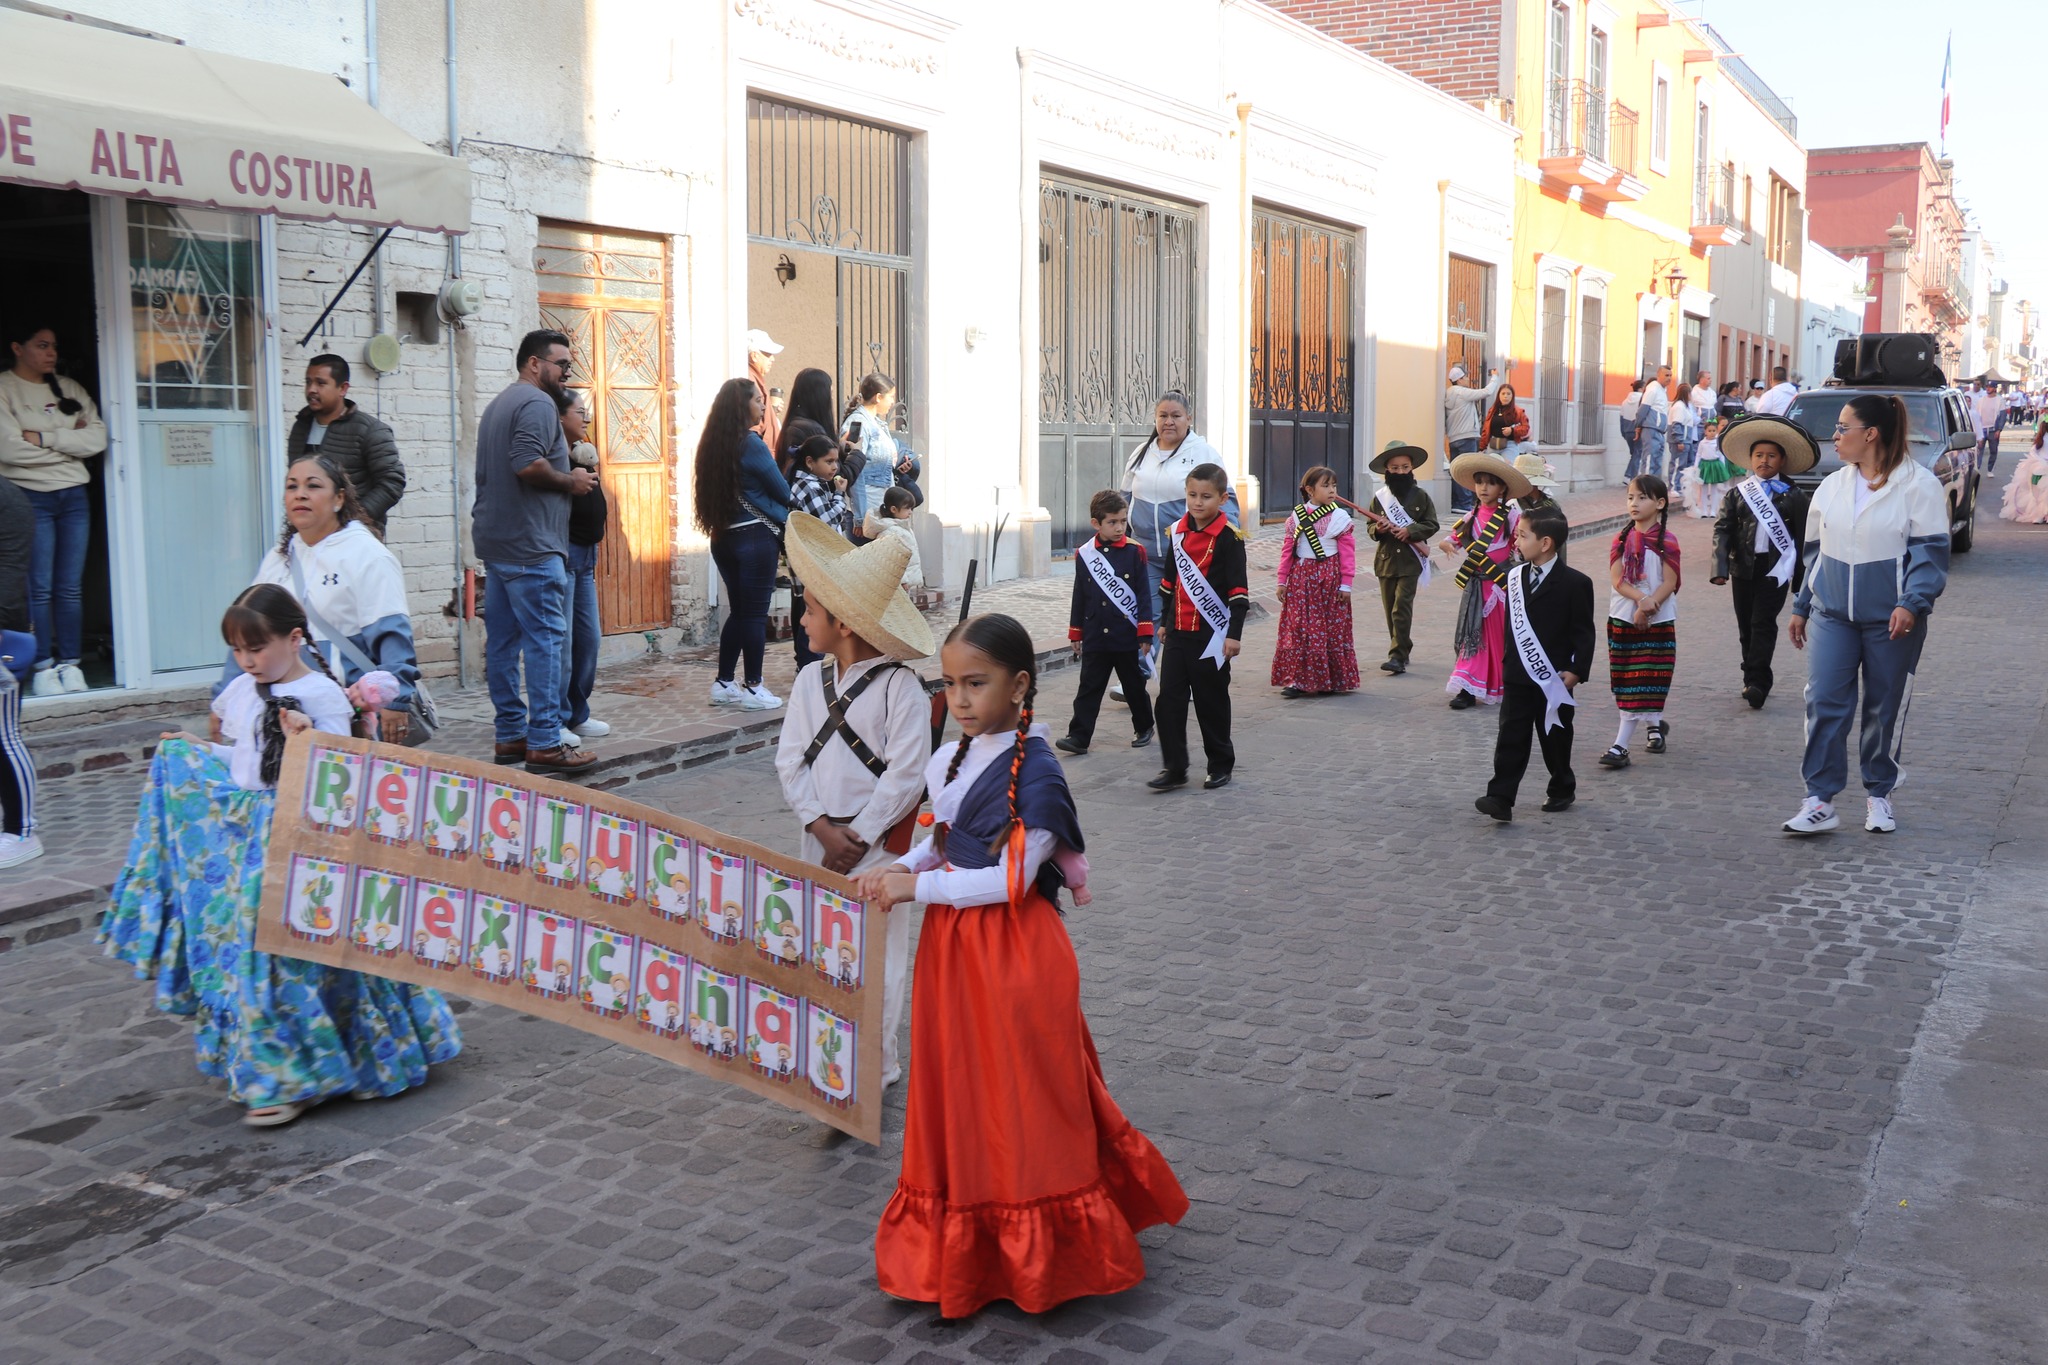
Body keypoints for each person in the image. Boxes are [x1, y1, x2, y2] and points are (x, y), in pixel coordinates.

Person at [854, 613, 1188, 1316]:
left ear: (1020, 684)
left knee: (1023, 1094)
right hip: (952, 950)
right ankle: (971, 1237)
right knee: (961, 1088)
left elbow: (1010, 879)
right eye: (950, 684)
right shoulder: (954, 756)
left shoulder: (1036, 771)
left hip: (1013, 951)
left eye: (976, 683)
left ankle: (1040, 1249)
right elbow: (945, 840)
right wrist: (902, 866)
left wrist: (917, 888)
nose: (961, 698)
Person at [100, 583, 460, 1126]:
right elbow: (246, 759)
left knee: (289, 944)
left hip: (307, 838)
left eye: (256, 648)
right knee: (259, 944)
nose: (247, 661)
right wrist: (200, 750)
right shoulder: (244, 691)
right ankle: (290, 1073)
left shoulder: (322, 696)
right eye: (237, 650)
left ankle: (316, 1068)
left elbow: (340, 776)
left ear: (294, 639)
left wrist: (307, 739)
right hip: (250, 837)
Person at [774, 513, 934, 1086]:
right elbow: (790, 760)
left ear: (842, 622)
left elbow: (907, 776)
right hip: (818, 842)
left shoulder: (902, 689)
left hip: (879, 850)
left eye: (810, 609)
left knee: (879, 956)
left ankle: (877, 1064)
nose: (802, 619)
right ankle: (828, 1056)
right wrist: (820, 827)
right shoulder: (807, 681)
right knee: (822, 947)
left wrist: (859, 837)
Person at [1783, 394, 1950, 836]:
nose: (1835, 436)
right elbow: (1815, 553)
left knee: (1883, 706)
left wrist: (1911, 602)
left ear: (1870, 434)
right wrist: (1802, 605)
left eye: (1843, 428)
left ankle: (1879, 793)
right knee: (1824, 702)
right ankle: (1819, 799)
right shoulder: (1832, 486)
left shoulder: (1918, 485)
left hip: (1892, 620)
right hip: (1831, 614)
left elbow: (1930, 555)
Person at [473, 329, 597, 774]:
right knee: (546, 641)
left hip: (500, 543)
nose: (567, 373)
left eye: (569, 365)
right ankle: (545, 740)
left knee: (504, 643)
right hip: (531, 545)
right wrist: (572, 481)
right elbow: (527, 463)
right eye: (561, 364)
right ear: (533, 364)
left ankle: (510, 735)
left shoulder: (500, 403)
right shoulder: (538, 403)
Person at [239, 452, 423, 743]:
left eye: (313, 486)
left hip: (349, 714)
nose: (300, 494)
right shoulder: (277, 559)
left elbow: (391, 635)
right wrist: (224, 696)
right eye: (292, 486)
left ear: (339, 498)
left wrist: (396, 700)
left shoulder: (367, 555)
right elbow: (246, 632)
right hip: (285, 714)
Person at [0, 323, 107, 696]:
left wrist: (44, 438)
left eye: (54, 346)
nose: (51, 353)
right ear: (18, 347)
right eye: (42, 345)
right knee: (39, 588)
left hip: (73, 496)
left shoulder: (70, 388)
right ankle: (43, 667)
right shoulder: (5, 388)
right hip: (29, 496)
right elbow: (8, 449)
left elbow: (97, 438)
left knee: (70, 588)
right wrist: (69, 447)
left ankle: (71, 665)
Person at [1473, 505, 1595, 821]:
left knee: (1555, 737)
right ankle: (1500, 797)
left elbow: (1584, 632)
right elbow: (1511, 628)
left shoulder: (1576, 583)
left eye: (1522, 536)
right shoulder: (1514, 577)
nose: (1516, 541)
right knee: (1511, 735)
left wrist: (1577, 670)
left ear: (1545, 543)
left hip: (1554, 678)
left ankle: (1562, 786)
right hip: (1518, 674)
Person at [1119, 390, 1239, 703]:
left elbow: (1228, 504)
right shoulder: (1141, 453)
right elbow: (1124, 499)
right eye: (1163, 416)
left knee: (1189, 622)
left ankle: (1195, 680)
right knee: (1147, 615)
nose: (1169, 422)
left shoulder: (1203, 453)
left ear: (1189, 419)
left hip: (1191, 558)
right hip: (1147, 554)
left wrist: (1226, 544)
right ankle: (1137, 677)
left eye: (1176, 416)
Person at [693, 376, 792, 711]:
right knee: (753, 615)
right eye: (757, 400)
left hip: (723, 538)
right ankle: (754, 687)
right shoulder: (751, 444)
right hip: (754, 537)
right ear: (742, 405)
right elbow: (783, 492)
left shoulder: (714, 444)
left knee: (739, 612)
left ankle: (724, 683)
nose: (763, 405)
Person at [1148, 463, 1246, 791]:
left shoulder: (1230, 538)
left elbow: (1238, 592)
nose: (1197, 502)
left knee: (1211, 702)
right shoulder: (1177, 532)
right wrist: (1165, 621)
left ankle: (1220, 764)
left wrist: (1233, 635)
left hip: (1211, 635)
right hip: (1178, 632)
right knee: (1168, 701)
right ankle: (1175, 767)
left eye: (1206, 496)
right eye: (1192, 495)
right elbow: (1169, 583)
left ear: (1222, 498)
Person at [1710, 415, 1815, 709]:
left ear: (1782, 460)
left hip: (1775, 570)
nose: (1764, 460)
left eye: (1771, 456)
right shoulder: (1738, 494)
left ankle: (1759, 682)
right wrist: (1719, 568)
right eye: (1758, 455)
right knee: (1746, 625)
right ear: (1750, 459)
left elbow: (1804, 538)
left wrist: (1800, 580)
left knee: (1763, 622)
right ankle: (1750, 677)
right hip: (1743, 567)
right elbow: (1722, 530)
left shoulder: (1794, 496)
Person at [1058, 489, 1155, 755]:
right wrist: (1076, 632)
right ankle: (1078, 737)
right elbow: (1080, 593)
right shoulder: (1085, 554)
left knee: (1133, 685)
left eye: (1123, 521)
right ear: (1096, 523)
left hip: (1125, 633)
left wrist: (1145, 633)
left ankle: (1144, 726)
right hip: (1095, 634)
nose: (1119, 527)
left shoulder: (1135, 552)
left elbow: (1143, 595)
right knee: (1089, 687)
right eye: (1112, 522)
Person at [1434, 452, 1529, 710]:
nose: (1484, 488)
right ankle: (1467, 688)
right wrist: (1446, 545)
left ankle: (1498, 682)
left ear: (1502, 488)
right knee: (1472, 637)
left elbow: (1522, 542)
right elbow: (1451, 539)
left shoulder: (1511, 516)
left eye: (1490, 483)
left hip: (1498, 589)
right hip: (1475, 588)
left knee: (1496, 639)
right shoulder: (1471, 516)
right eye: (1479, 482)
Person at [1597, 474, 1680, 771]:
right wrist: (1641, 601)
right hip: (1623, 617)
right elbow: (1618, 581)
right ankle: (1655, 726)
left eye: (1642, 498)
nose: (1634, 503)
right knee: (1628, 680)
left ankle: (1620, 746)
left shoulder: (1668, 541)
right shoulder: (1620, 540)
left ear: (1660, 503)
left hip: (1659, 620)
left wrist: (1649, 607)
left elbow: (1670, 581)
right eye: (1631, 497)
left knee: (1647, 679)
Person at [286, 354, 405, 531]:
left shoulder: (370, 430)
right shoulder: (300, 427)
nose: (311, 389)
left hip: (355, 536)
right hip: (309, 534)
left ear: (342, 388)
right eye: (308, 382)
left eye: (320, 383)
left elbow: (392, 483)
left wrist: (353, 523)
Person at [1270, 465, 1359, 699]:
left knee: (1330, 628)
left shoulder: (1339, 517)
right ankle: (1297, 679)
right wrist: (1282, 580)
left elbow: (1348, 553)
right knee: (1300, 627)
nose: (1332, 490)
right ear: (1310, 490)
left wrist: (1346, 584)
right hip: (1301, 579)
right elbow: (1288, 549)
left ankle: (1331, 678)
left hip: (1329, 578)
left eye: (1334, 486)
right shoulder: (1297, 516)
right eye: (1325, 486)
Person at [557, 390, 609, 747]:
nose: (586, 417)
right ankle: (557, 717)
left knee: (588, 638)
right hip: (565, 555)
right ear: (561, 416)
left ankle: (578, 712)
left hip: (586, 558)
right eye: (580, 411)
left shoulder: (581, 452)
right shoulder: (553, 457)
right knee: (562, 642)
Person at [1362, 440, 1439, 677]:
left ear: (1411, 468)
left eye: (1405, 467)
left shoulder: (1421, 497)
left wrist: (1410, 531)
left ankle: (1396, 656)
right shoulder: (1380, 498)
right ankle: (1402, 647)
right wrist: (1379, 529)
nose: (1400, 472)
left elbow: (1432, 524)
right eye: (1395, 468)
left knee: (1401, 608)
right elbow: (1370, 527)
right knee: (1390, 610)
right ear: (1387, 470)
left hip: (1410, 561)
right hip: (1386, 561)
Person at [0, 471, 38, 867]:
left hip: (3, 633)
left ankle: (22, 831)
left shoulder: (8, 500)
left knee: (4, 735)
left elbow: (10, 573)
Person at [840, 373, 902, 524]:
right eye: (891, 396)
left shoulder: (877, 423)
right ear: (878, 397)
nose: (893, 402)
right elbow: (856, 471)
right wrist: (860, 516)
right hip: (867, 507)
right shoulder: (859, 422)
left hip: (879, 505)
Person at [1444, 363, 1505, 513]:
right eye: (1465, 377)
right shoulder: (1462, 392)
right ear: (1459, 379)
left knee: (1457, 470)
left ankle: (1457, 503)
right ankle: (1464, 504)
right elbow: (1487, 392)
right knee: (1467, 470)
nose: (1468, 379)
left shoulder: (1448, 393)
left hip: (1454, 438)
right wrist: (1495, 377)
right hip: (1467, 437)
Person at [862, 485, 924, 593]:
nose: (910, 512)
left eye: (911, 508)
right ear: (894, 509)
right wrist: (902, 580)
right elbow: (890, 559)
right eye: (907, 508)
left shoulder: (902, 527)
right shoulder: (890, 531)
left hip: (905, 581)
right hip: (898, 584)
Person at [1998, 418, 2048, 523]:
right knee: (2043, 494)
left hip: (2036, 469)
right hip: (2042, 470)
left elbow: (2033, 452)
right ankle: (2043, 514)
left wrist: (2039, 462)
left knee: (2035, 494)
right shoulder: (2043, 439)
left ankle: (2038, 516)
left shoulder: (2040, 439)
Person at [1687, 415, 1738, 519]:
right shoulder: (1702, 443)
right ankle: (1704, 510)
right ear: (1705, 432)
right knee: (1704, 489)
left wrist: (1723, 466)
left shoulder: (1718, 442)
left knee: (1714, 489)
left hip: (1715, 465)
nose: (1712, 433)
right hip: (1705, 466)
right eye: (1709, 431)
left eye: (1714, 430)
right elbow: (1698, 454)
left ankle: (1713, 510)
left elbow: (1721, 455)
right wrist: (1696, 466)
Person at [1630, 364, 1673, 482]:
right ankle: (1646, 486)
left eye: (1670, 375)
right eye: (1666, 375)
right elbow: (1643, 409)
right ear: (1658, 375)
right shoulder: (1653, 389)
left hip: (1659, 431)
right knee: (1649, 460)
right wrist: (1638, 426)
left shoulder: (1662, 390)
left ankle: (1654, 487)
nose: (1669, 378)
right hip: (1651, 429)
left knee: (1657, 462)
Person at [745, 328, 783, 455]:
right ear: (754, 356)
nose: (772, 359)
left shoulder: (753, 378)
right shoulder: (749, 381)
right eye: (768, 354)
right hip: (762, 454)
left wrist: (771, 411)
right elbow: (753, 428)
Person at [1481, 385, 1531, 456]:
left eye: (1508, 394)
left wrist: (1512, 430)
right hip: (1493, 444)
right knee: (1490, 463)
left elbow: (1525, 428)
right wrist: (1482, 447)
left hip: (1510, 445)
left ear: (1512, 396)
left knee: (1506, 463)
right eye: (1503, 393)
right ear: (1499, 395)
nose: (1505, 396)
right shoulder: (1492, 411)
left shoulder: (1518, 412)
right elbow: (1485, 430)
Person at [1618, 379, 1646, 475]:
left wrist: (1624, 433)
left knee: (1634, 454)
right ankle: (1630, 475)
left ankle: (1630, 476)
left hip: (1627, 431)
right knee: (1637, 454)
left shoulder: (1625, 401)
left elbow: (1621, 419)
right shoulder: (1643, 400)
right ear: (1641, 388)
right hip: (1638, 430)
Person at [1975, 384, 2005, 472]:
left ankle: (1990, 469)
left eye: (1990, 387)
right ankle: (1977, 468)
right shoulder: (1981, 400)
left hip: (1993, 429)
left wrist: (1999, 429)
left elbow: (2002, 416)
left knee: (1993, 450)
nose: (1988, 388)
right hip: (1982, 429)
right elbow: (1977, 415)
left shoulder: (2000, 400)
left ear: (1995, 388)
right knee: (1979, 450)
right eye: (1987, 387)